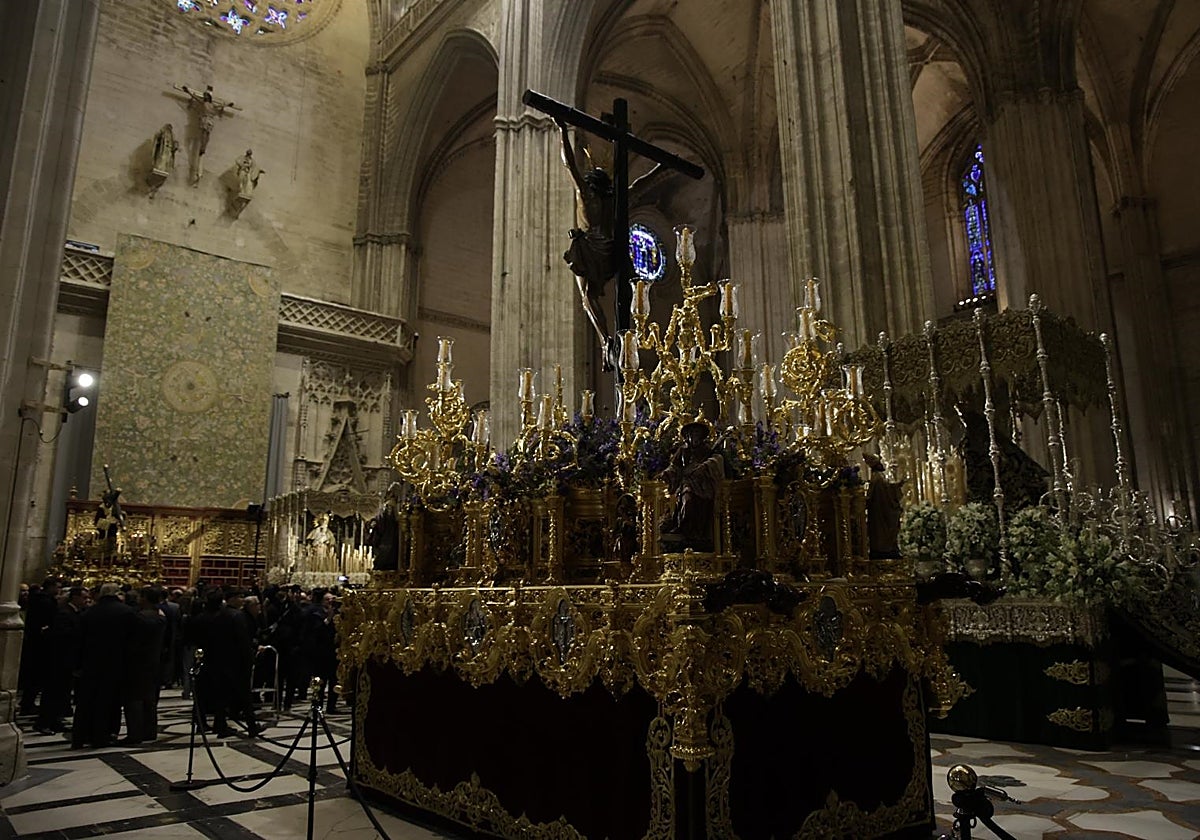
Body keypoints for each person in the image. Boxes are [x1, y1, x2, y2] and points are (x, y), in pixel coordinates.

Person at [73, 583, 137, 748]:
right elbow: (133, 641)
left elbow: (79, 639)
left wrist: (78, 663)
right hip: (117, 662)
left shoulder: (89, 612)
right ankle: (105, 734)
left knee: (87, 700)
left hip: (91, 661)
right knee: (110, 700)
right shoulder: (126, 612)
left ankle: (81, 735)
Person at [661, 421, 725, 551]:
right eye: (693, 434)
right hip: (687, 482)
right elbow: (674, 466)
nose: (695, 437)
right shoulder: (683, 450)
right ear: (688, 436)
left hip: (703, 485)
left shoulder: (707, 450)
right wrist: (666, 473)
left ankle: (698, 533)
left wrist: (706, 466)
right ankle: (683, 526)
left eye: (698, 434)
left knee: (702, 506)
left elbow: (716, 460)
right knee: (687, 500)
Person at [36, 586, 87, 735]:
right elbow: (61, 636)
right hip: (59, 660)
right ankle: (43, 722)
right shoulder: (65, 614)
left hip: (68, 660)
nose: (86, 601)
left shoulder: (74, 613)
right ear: (75, 598)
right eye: (84, 598)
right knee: (53, 691)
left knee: (62, 693)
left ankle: (54, 720)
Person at [122, 587, 166, 744]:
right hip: (154, 661)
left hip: (136, 662)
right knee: (150, 698)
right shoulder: (160, 616)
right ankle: (149, 731)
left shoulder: (138, 618)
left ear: (145, 598)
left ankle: (135, 733)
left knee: (134, 699)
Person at [19, 578, 60, 717]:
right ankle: (27, 704)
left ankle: (27, 702)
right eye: (57, 587)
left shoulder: (37, 599)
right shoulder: (45, 602)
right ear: (51, 587)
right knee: (36, 677)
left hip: (35, 642)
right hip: (41, 644)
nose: (58, 590)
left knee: (33, 678)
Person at [865, 453, 904, 559]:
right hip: (879, 510)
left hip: (879, 512)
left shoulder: (877, 477)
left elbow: (871, 495)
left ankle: (882, 549)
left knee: (881, 533)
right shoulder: (880, 476)